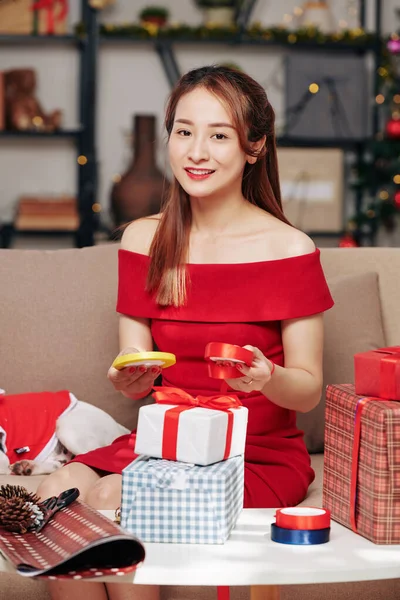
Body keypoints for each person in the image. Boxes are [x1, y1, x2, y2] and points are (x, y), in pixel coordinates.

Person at [36, 64, 333, 600]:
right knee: (58, 492)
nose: (197, 152)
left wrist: (266, 377)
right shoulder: (144, 240)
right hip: (164, 445)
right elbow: (137, 363)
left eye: (219, 135)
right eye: (184, 131)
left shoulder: (290, 248)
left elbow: (309, 389)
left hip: (253, 455)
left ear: (255, 147)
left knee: (110, 498)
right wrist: (130, 378)